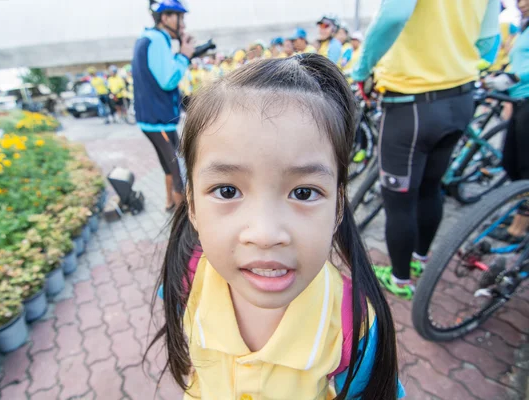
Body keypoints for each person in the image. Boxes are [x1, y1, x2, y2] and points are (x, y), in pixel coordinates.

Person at [147, 54, 404, 399]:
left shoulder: (353, 324)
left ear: (339, 205)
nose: (266, 235)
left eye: (303, 192)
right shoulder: (184, 279)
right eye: (227, 191)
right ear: (191, 204)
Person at [351, 0, 500, 299]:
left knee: (399, 202)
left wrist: (362, 69)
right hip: (460, 98)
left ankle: (401, 280)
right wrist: (451, 58)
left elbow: (393, 16)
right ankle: (420, 260)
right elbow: (488, 42)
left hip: (412, 103)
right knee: (431, 188)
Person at [132, 0, 195, 212]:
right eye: (181, 18)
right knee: (179, 172)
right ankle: (183, 232)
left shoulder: (146, 38)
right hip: (159, 121)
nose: (183, 24)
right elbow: (167, 80)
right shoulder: (158, 39)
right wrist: (185, 55)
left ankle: (169, 202)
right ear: (166, 17)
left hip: (150, 120)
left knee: (168, 165)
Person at [485, 0, 529, 243]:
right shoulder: (523, 29)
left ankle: (518, 229)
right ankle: (518, 216)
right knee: (511, 162)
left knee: (525, 167)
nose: (521, 4)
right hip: (519, 97)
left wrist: (515, 76)